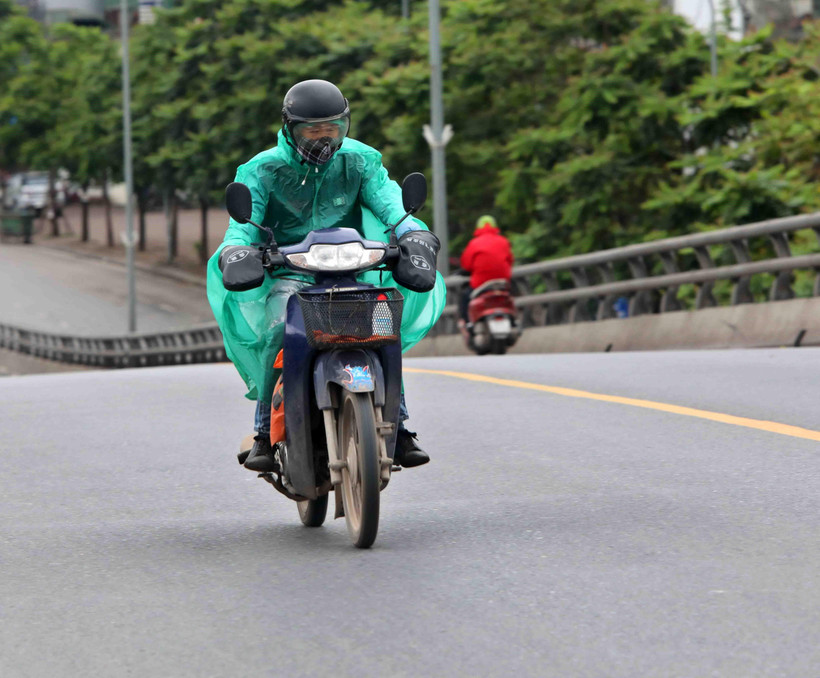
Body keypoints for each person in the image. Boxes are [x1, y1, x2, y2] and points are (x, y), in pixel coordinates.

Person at [206, 79, 445, 473]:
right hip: (291, 274)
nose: (322, 141)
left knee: (385, 325)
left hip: (353, 270)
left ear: (344, 126)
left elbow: (390, 202)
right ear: (289, 128)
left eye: (331, 129)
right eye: (311, 131)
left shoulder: (361, 161)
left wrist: (413, 233)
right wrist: (237, 249)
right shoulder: (261, 170)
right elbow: (241, 228)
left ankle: (398, 427)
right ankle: (265, 432)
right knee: (278, 329)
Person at [458, 215, 514, 324]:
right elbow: (510, 261)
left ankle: (467, 323)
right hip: (502, 283)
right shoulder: (504, 241)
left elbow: (466, 265)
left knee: (465, 297)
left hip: (480, 283)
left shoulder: (474, 243)